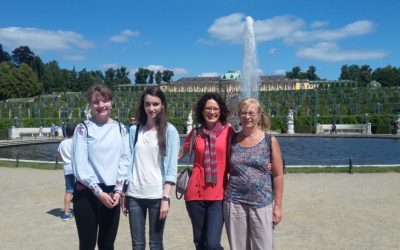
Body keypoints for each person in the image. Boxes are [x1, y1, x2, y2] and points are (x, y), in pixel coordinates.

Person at [72, 84, 130, 250]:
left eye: (105, 101)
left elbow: (124, 160)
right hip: (88, 193)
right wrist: (98, 192)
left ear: (111, 102)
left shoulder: (120, 128)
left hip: (112, 193)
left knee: (107, 244)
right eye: (96, 102)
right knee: (87, 244)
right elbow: (80, 166)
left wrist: (118, 190)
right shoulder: (83, 129)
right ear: (90, 105)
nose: (101, 106)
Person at [123, 86, 180, 249]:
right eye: (147, 104)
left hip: (157, 195)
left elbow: (171, 168)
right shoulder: (134, 130)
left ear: (162, 105)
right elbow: (128, 162)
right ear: (143, 105)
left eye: (155, 104)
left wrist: (165, 198)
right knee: (137, 245)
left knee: (155, 243)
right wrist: (124, 191)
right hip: (134, 194)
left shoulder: (170, 131)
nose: (151, 108)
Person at [224, 98, 284, 250]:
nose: (247, 116)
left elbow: (278, 175)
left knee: (263, 246)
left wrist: (277, 206)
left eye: (251, 113)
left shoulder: (270, 141)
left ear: (259, 116)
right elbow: (227, 168)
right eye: (243, 113)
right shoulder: (232, 140)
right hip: (235, 201)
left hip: (261, 202)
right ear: (238, 115)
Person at [178, 93, 234, 250]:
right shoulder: (196, 133)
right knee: (200, 242)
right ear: (202, 111)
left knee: (213, 244)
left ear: (220, 111)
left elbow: (242, 152)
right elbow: (179, 154)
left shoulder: (229, 132)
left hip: (218, 195)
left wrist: (267, 164)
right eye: (208, 108)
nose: (212, 112)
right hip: (194, 194)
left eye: (215, 108)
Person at [56, 124, 76, 221]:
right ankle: (78, 210)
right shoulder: (76, 142)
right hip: (77, 169)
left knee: (69, 191)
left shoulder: (62, 143)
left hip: (67, 168)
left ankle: (66, 214)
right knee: (80, 190)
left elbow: (58, 157)